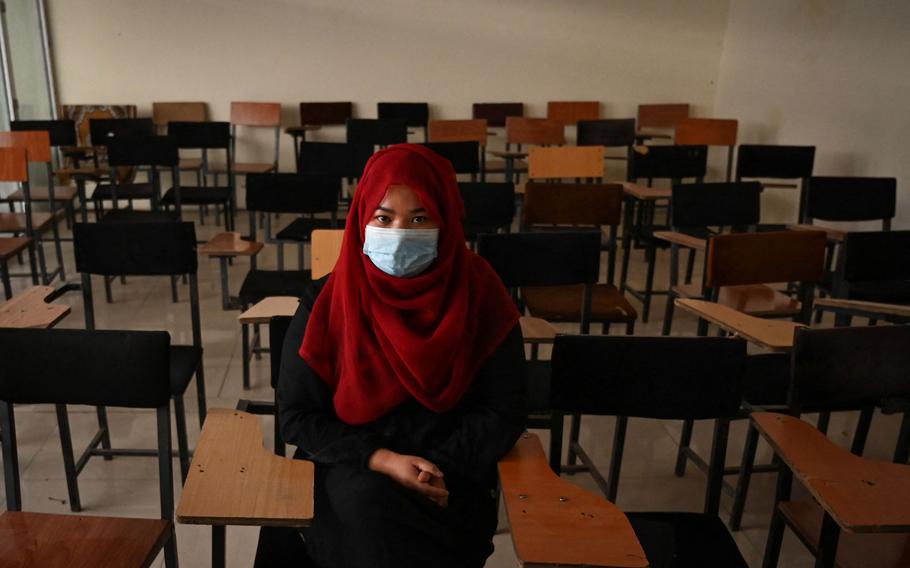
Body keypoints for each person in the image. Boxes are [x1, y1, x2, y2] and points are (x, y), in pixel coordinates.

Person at [277, 143, 527, 567]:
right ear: (361, 220)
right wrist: (385, 460)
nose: (397, 233)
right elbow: (297, 415)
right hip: (353, 463)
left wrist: (433, 469)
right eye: (383, 217)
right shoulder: (327, 300)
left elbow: (504, 410)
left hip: (451, 475)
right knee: (368, 515)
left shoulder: (482, 295)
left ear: (446, 222)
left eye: (419, 218)